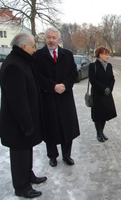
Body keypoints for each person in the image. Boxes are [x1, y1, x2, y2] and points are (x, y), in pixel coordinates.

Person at [0, 32, 47, 198]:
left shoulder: (22, 61)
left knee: (27, 151)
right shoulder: (13, 65)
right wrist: (26, 123)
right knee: (19, 154)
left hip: (25, 120)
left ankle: (28, 176)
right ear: (24, 47)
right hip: (17, 124)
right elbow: (17, 101)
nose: (35, 50)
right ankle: (21, 187)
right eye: (33, 46)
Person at [34, 27, 80, 167]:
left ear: (59, 39)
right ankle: (52, 156)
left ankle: (67, 155)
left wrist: (64, 85)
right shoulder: (38, 56)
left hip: (65, 97)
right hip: (48, 98)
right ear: (45, 38)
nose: (51, 40)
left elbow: (73, 73)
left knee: (67, 127)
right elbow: (37, 77)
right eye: (48, 37)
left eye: (54, 37)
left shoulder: (67, 54)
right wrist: (53, 86)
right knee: (50, 127)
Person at [89, 46, 117, 142]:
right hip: (98, 94)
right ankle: (98, 133)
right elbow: (92, 80)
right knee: (98, 115)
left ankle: (102, 131)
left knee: (105, 113)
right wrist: (103, 88)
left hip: (107, 94)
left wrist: (109, 88)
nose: (108, 56)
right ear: (100, 55)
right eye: (106, 54)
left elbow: (112, 78)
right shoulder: (93, 66)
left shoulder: (109, 66)